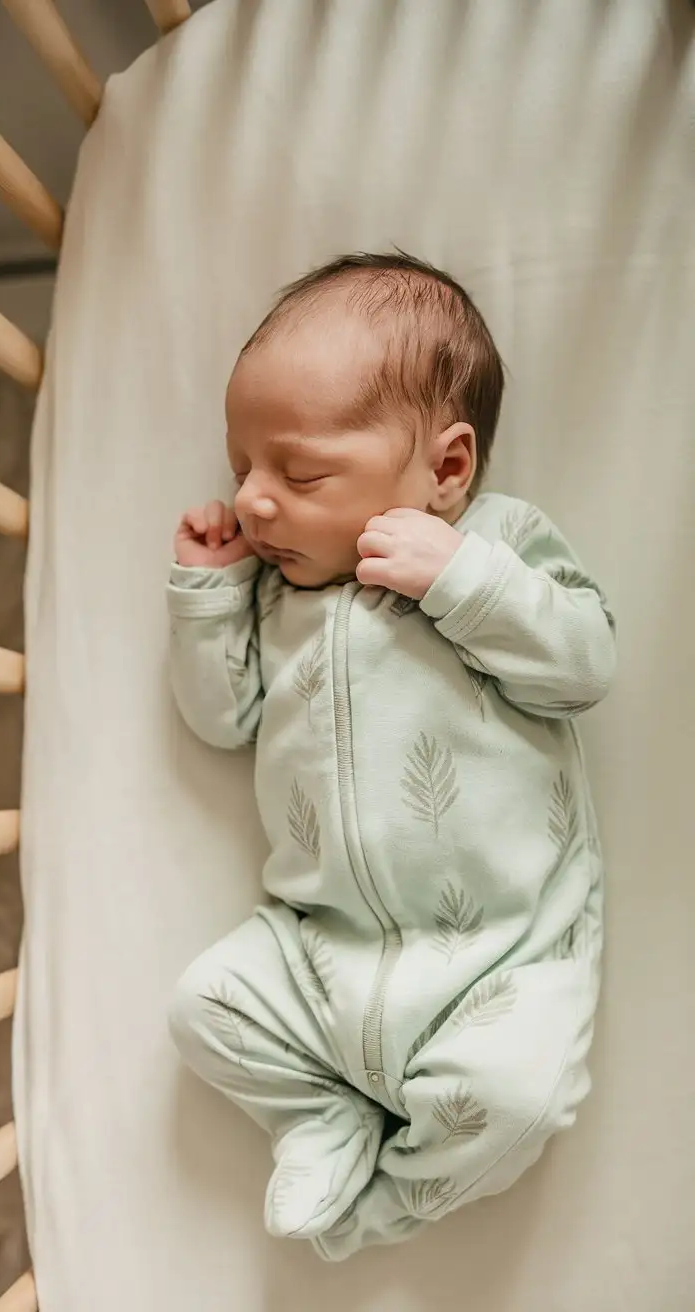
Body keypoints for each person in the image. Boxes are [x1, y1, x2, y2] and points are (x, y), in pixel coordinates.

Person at [167, 252, 616, 1260]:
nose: (253, 500)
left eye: (298, 471)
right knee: (200, 1006)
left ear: (446, 471)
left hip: (498, 951)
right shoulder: (279, 595)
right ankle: (322, 1116)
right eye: (242, 465)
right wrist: (204, 596)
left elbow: (582, 665)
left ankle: (383, 1208)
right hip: (318, 949)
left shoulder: (497, 544)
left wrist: (461, 580)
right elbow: (221, 718)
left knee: (514, 1094)